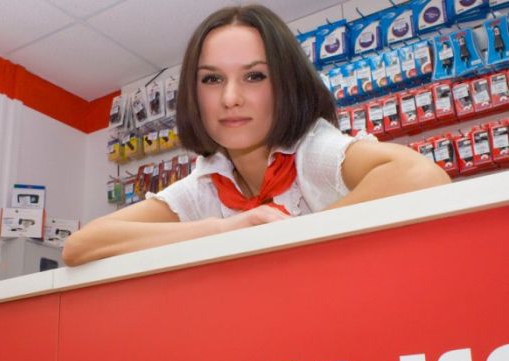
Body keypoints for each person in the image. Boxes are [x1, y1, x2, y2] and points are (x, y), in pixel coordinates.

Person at [64, 5, 450, 266]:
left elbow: (422, 176)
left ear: (285, 84)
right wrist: (224, 229)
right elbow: (81, 246)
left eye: (254, 76)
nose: (231, 98)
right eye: (212, 79)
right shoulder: (207, 182)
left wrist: (290, 235)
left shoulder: (311, 151)